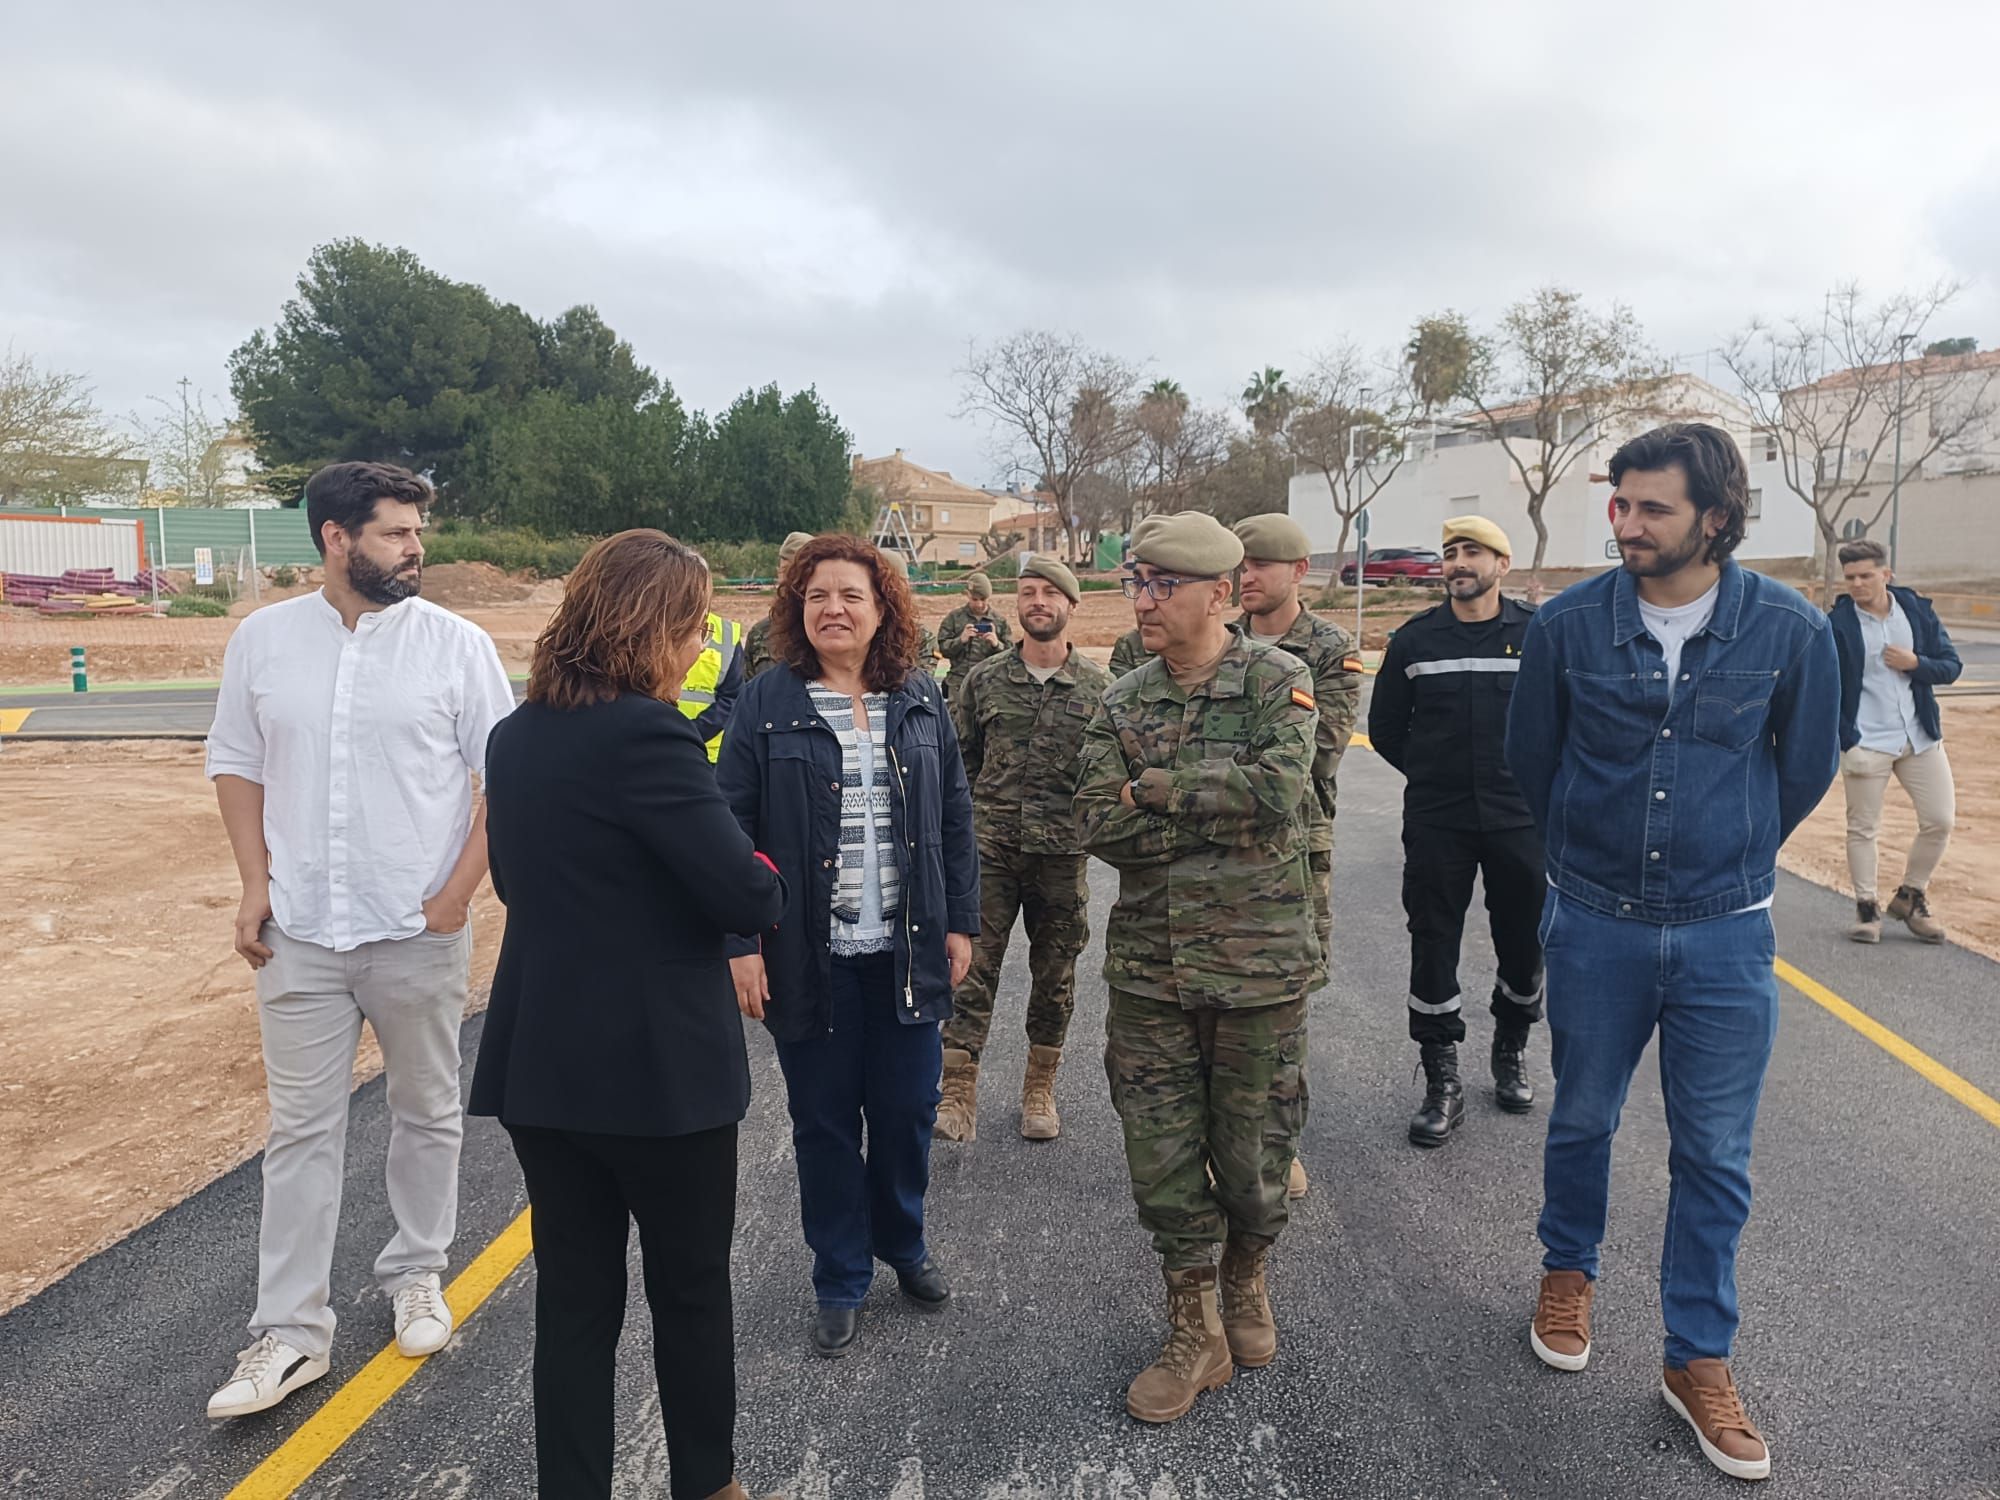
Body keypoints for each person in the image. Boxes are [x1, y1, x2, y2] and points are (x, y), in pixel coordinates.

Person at [1505, 423, 1839, 1483]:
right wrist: (1591, 863)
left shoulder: (1788, 629)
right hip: (1594, 921)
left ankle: (1695, 1355)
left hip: (1725, 936)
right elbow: (1531, 762)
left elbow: (1804, 767)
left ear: (1715, 515)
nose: (1626, 525)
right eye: (1619, 504)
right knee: (1582, 1117)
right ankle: (1567, 1273)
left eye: (1651, 508)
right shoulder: (1564, 627)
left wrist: (1724, 852)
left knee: (1713, 1156)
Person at [473, 531, 787, 1500]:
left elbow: (519, 881)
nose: (699, 647)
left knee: (572, 1303)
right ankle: (707, 1482)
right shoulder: (649, 735)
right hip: (658, 1076)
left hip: (545, 1065)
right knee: (688, 1291)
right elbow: (744, 895)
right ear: (650, 626)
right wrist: (754, 866)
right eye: (692, 626)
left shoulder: (514, 733)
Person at [203, 461, 515, 1419]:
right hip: (298, 932)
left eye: (417, 531)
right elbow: (237, 763)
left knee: (425, 1110)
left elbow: (509, 776)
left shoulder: (455, 646)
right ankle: (289, 1333)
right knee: (301, 1130)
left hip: (414, 930)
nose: (415, 549)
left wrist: (458, 899)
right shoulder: (263, 640)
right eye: (394, 532)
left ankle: (416, 1275)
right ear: (336, 538)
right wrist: (256, 884)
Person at [1075, 511, 1319, 1424]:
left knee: (1257, 1151)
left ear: (1218, 593)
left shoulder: (1278, 679)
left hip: (1259, 968)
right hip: (1151, 968)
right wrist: (1188, 811)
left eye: (1160, 586)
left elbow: (1278, 793)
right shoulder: (1123, 695)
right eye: (1136, 583)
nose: (1141, 600)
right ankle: (1195, 1322)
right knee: (1161, 1154)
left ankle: (1248, 1275)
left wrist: (1159, 789)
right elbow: (1097, 818)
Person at [716, 535, 979, 1359]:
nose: (834, 608)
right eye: (817, 595)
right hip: (808, 953)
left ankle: (902, 1244)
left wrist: (960, 922)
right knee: (824, 1122)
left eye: (851, 595)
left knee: (906, 1111)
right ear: (798, 610)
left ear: (882, 610)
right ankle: (839, 1273)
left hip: (905, 949)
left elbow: (955, 820)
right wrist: (739, 942)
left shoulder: (922, 697)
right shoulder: (766, 701)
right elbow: (728, 830)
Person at [1366, 516, 1545, 1147]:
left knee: (1524, 941)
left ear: (1502, 562)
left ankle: (1511, 1045)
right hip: (1438, 820)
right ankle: (1441, 1078)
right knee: (1432, 940)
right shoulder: (1415, 641)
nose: (1458, 562)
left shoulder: (1535, 634)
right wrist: (1433, 774)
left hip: (1520, 818)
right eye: (1449, 553)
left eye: (1472, 552)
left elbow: (1562, 721)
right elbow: (1386, 728)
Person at [937, 555, 1112, 1143]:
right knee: (970, 970)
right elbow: (960, 766)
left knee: (1056, 974)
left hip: (1062, 859)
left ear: (1070, 606)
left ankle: (1040, 1085)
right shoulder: (984, 680)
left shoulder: (1099, 690)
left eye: (1050, 594)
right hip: (990, 853)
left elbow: (1108, 778)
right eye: (1028, 592)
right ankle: (957, 1092)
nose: (1037, 601)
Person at [1231, 514, 1361, 1196]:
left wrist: (1217, 765)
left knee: (1283, 1003)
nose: (1245, 576)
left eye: (1261, 564)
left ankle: (1276, 1145)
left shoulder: (1330, 648)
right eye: (1240, 565)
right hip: (1213, 851)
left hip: (1296, 849)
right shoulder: (1216, 642)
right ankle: (1217, 1142)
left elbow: (1316, 754)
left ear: (1299, 570)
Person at [1828, 538, 1961, 943]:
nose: (1857, 583)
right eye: (1850, 577)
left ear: (1887, 574)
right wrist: (1843, 738)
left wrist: (1916, 663)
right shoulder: (1838, 624)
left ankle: (1911, 895)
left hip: (1919, 736)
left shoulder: (1917, 612)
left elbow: (1951, 666)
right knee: (1863, 828)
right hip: (1867, 740)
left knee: (1941, 820)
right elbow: (1824, 685)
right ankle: (1866, 910)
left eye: (1866, 575)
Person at [745, 532, 815, 681]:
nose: (791, 580)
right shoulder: (760, 633)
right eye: (786, 571)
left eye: (800, 572)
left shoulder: (827, 633)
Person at [678, 608, 744, 762]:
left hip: (707, 755)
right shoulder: (652, 624)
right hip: (655, 746)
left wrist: (691, 733)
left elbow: (733, 697)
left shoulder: (727, 634)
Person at [938, 571, 1011, 697]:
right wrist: (961, 640)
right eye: (974, 599)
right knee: (956, 716)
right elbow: (942, 649)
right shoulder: (954, 618)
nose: (979, 604)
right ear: (968, 595)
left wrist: (996, 644)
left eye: (983, 600)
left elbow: (1011, 657)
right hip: (958, 683)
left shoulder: (1000, 622)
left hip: (989, 684)